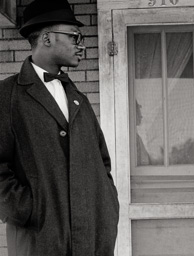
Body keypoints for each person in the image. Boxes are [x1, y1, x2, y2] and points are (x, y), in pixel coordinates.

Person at [0, 0, 119, 255]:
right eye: (74, 36)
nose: (81, 44)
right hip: (38, 243)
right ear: (46, 38)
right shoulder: (7, 96)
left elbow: (103, 164)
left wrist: (108, 208)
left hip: (92, 243)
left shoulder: (79, 99)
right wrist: (29, 209)